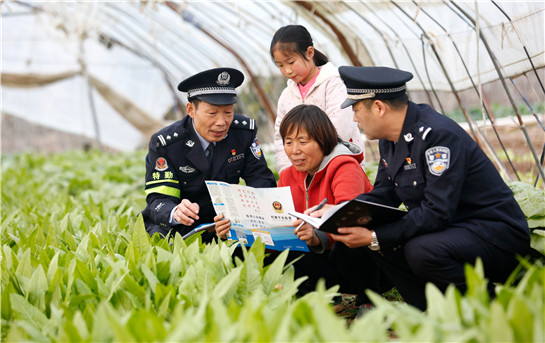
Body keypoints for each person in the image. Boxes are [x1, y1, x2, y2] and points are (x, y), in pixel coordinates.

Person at [311, 65, 530, 311]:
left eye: (356, 109)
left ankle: (487, 307)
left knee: (418, 249)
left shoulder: (437, 137)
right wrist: (340, 212)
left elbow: (437, 212)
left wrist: (374, 238)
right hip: (452, 231)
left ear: (379, 108)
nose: (354, 118)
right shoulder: (390, 140)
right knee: (369, 226)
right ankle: (429, 310)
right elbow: (384, 194)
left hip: (493, 234)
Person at [216, 104, 382, 303]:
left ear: (323, 140)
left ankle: (370, 300)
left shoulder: (345, 167)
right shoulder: (287, 176)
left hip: (364, 260)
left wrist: (316, 237)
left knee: (347, 241)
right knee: (258, 250)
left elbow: (350, 219)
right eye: (288, 142)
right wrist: (237, 229)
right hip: (323, 262)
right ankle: (322, 297)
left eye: (303, 142)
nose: (294, 151)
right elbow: (279, 224)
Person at [141, 67, 277, 241]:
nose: (221, 122)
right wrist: (176, 212)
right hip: (184, 227)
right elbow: (159, 198)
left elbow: (261, 180)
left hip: (228, 224)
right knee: (163, 241)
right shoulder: (167, 144)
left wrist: (250, 213)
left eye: (228, 112)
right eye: (212, 113)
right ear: (191, 110)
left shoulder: (243, 133)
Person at [270, 24, 365, 173]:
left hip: (338, 168)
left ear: (309, 53)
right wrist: (287, 173)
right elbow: (280, 139)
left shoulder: (333, 84)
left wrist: (314, 165)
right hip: (302, 173)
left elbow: (339, 130)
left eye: (291, 62)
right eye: (280, 65)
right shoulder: (286, 96)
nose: (287, 70)